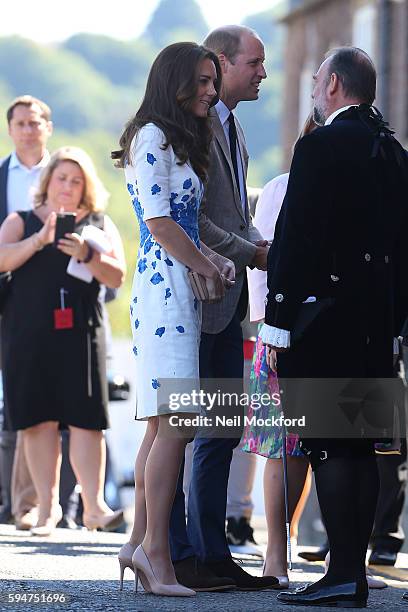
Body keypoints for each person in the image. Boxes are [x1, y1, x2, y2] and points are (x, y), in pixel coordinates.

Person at [261, 47, 408, 607]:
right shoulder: (395, 153)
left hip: (323, 322)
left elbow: (296, 240)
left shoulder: (318, 146)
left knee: (328, 446)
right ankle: (353, 572)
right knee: (365, 446)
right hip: (375, 327)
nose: (314, 88)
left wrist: (277, 322)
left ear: (335, 87)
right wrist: (394, 319)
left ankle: (343, 577)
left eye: (318, 79)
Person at [114, 42, 235, 597]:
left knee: (164, 423)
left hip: (174, 286)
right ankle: (157, 555)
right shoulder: (153, 137)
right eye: (205, 81)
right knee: (178, 423)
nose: (213, 90)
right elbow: (160, 222)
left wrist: (209, 263)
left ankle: (140, 541)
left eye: (214, 80)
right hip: (165, 288)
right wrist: (208, 262)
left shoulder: (173, 137)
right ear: (176, 82)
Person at [169, 25, 279, 592]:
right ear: (221, 63)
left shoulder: (233, 126)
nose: (264, 71)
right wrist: (255, 251)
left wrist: (256, 248)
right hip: (200, 297)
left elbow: (231, 212)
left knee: (220, 430)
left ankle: (211, 553)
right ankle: (187, 554)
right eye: (255, 62)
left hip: (228, 296)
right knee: (192, 431)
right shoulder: (196, 127)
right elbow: (196, 219)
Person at [0, 146, 126, 537]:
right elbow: (2, 259)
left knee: (87, 420)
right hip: (29, 334)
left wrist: (87, 254)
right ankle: (44, 508)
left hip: (82, 334)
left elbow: (117, 277)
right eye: (61, 179)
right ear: (47, 181)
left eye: (76, 181)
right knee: (38, 421)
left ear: (87, 187)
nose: (68, 187)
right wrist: (40, 240)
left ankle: (94, 507)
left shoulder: (99, 224)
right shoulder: (20, 220)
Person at [243, 115, 317, 586]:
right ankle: (275, 552)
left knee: (327, 447)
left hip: (341, 327)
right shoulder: (279, 189)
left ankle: (342, 554)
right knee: (282, 446)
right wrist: (268, 327)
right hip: (283, 328)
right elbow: (263, 261)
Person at [0, 95, 53, 530]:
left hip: (62, 302)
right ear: (10, 128)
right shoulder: (1, 177)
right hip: (9, 299)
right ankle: (20, 503)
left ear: (47, 127)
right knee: (18, 402)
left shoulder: (69, 175)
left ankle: (60, 505)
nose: (27, 129)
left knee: (69, 407)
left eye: (35, 122)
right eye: (20, 123)